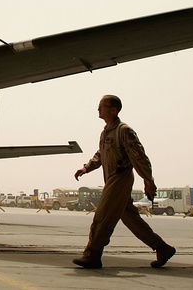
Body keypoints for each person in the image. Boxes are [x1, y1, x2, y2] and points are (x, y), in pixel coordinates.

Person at [72, 95, 176, 269]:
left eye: (102, 106)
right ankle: (162, 248)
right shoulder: (106, 132)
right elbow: (100, 154)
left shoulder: (124, 130)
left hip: (120, 178)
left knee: (102, 217)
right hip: (111, 178)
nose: (98, 109)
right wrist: (86, 168)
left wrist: (148, 181)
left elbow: (140, 157)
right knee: (131, 218)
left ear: (113, 110)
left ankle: (92, 255)